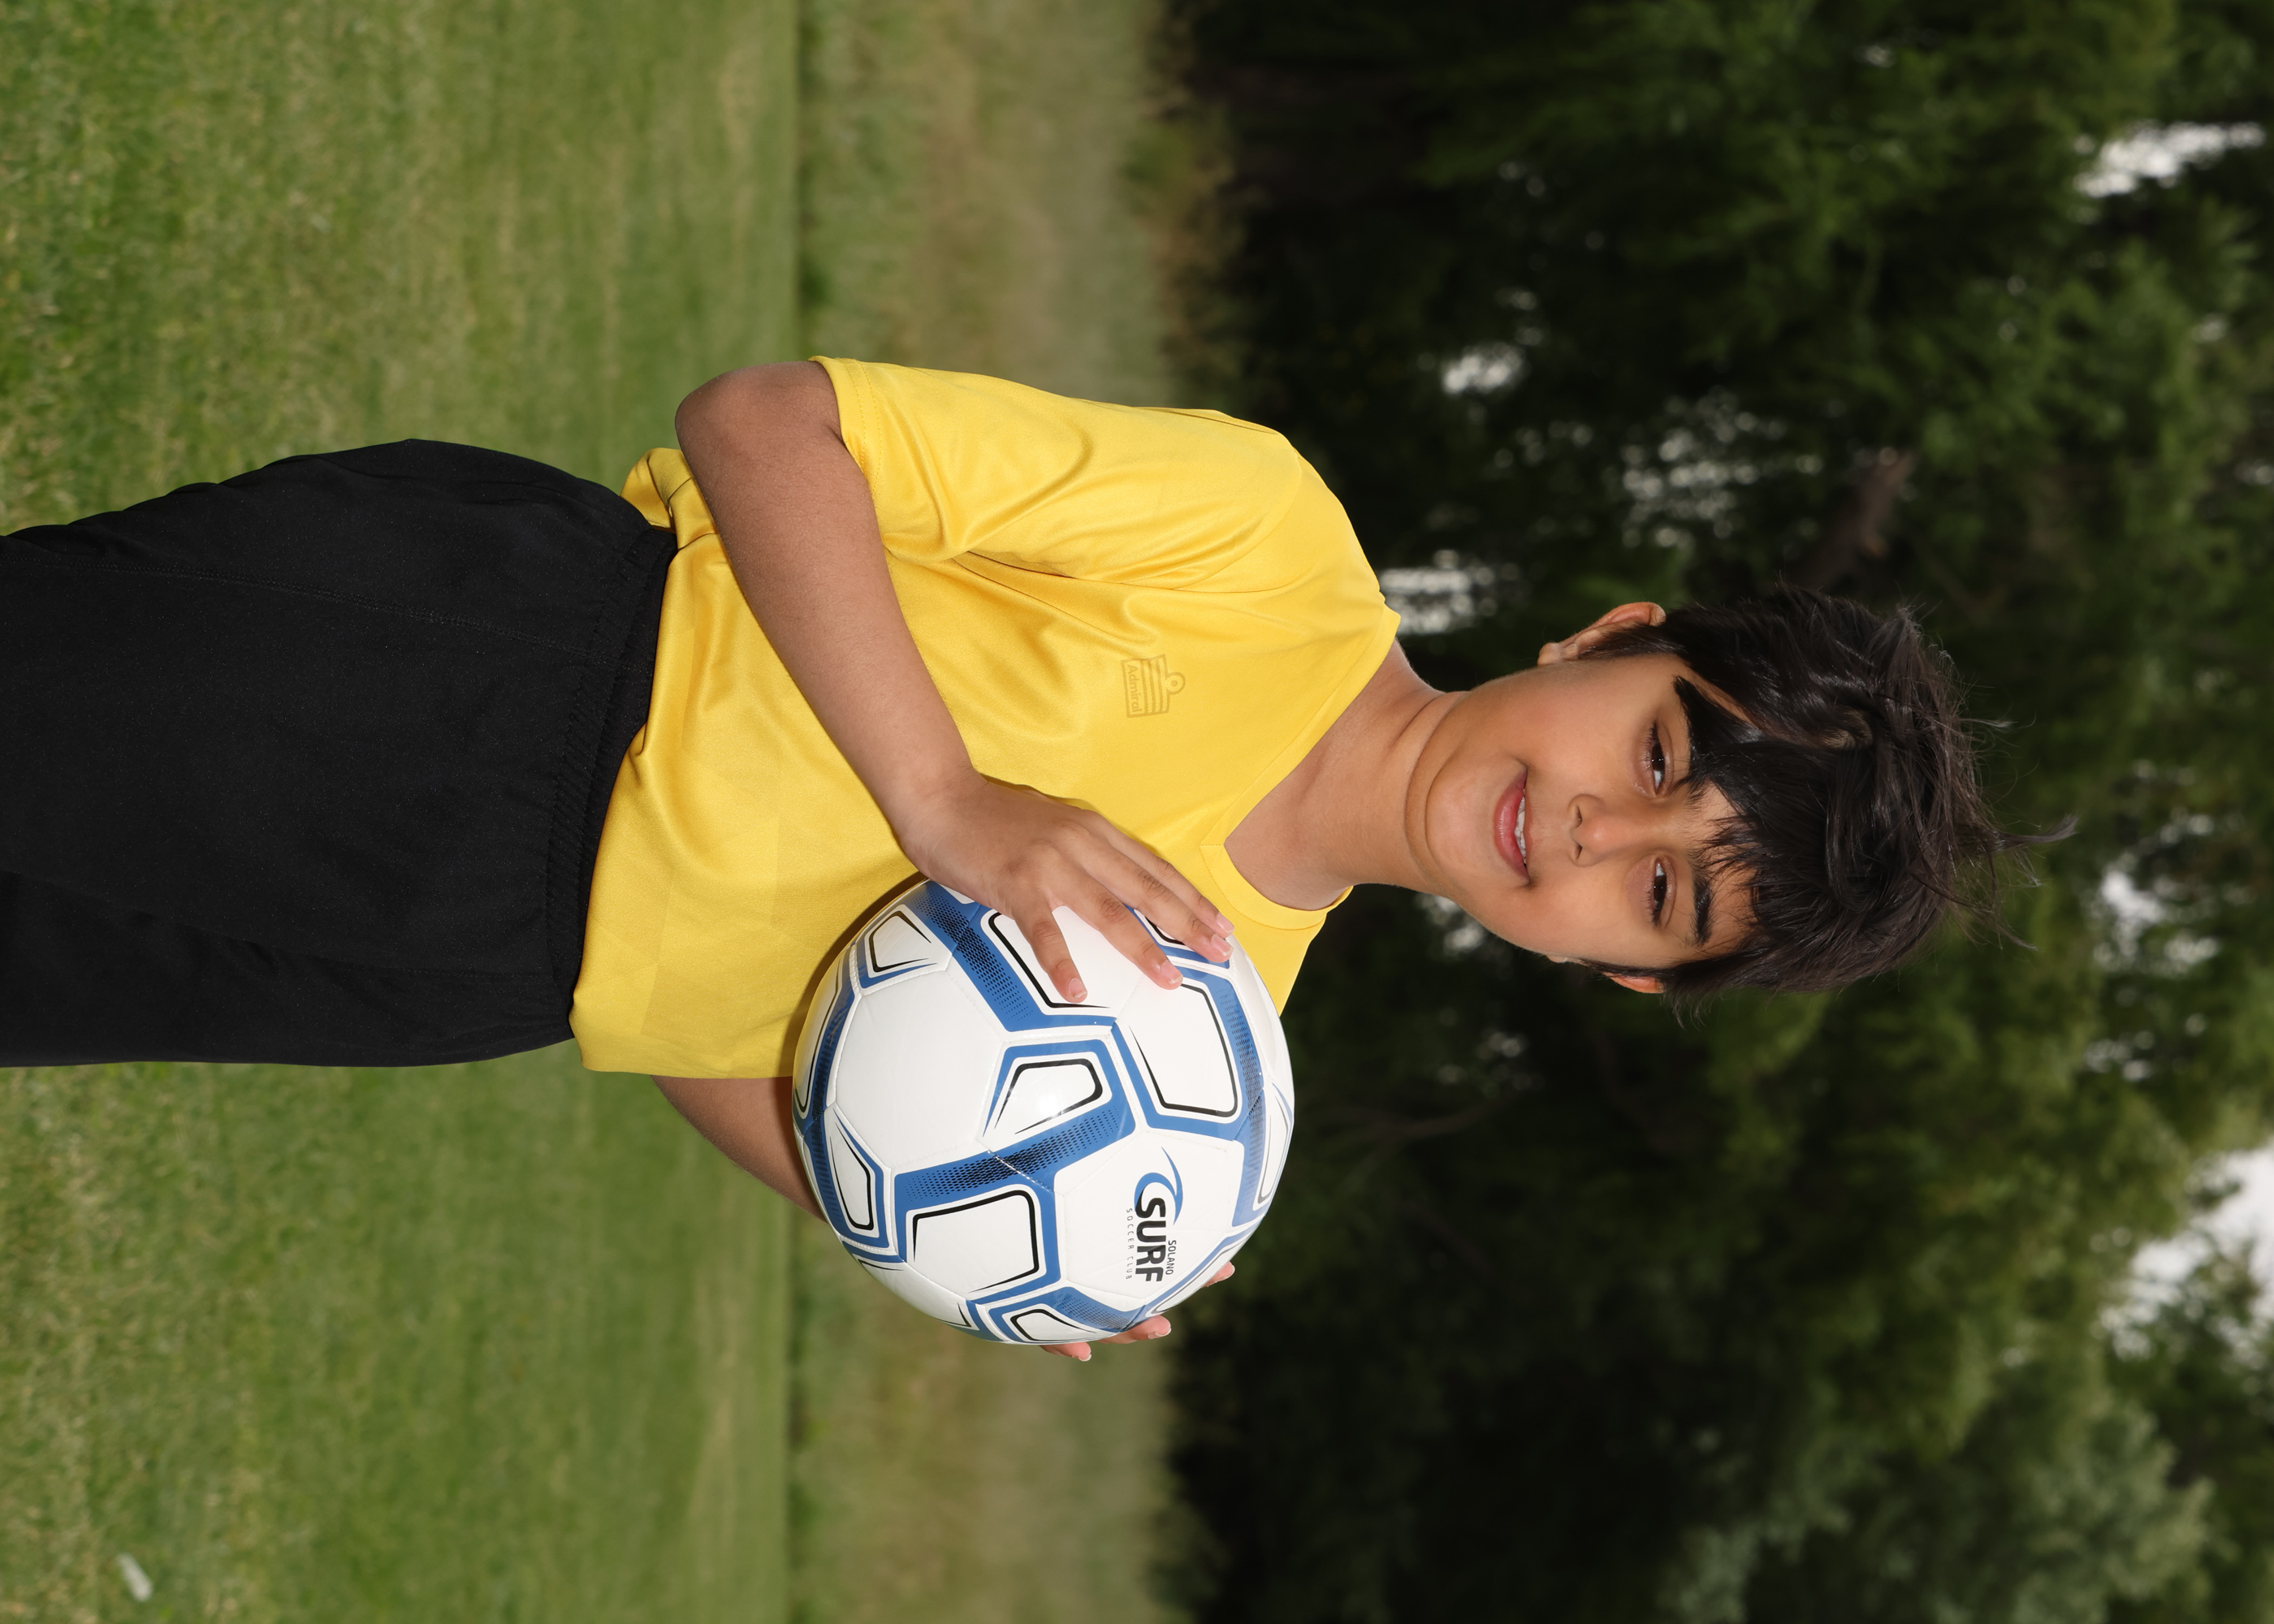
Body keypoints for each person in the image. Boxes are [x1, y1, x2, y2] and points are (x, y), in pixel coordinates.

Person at [0, 359, 2026, 1358]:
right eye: (1658, 754)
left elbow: (729, 1037)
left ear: (1624, 973)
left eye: (1660, 889)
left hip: (478, 970)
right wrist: (944, 798)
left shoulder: (1199, 1039)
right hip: (487, 668)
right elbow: (763, 425)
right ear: (1608, 637)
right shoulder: (1261, 541)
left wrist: (960, 1221)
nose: (1591, 827)